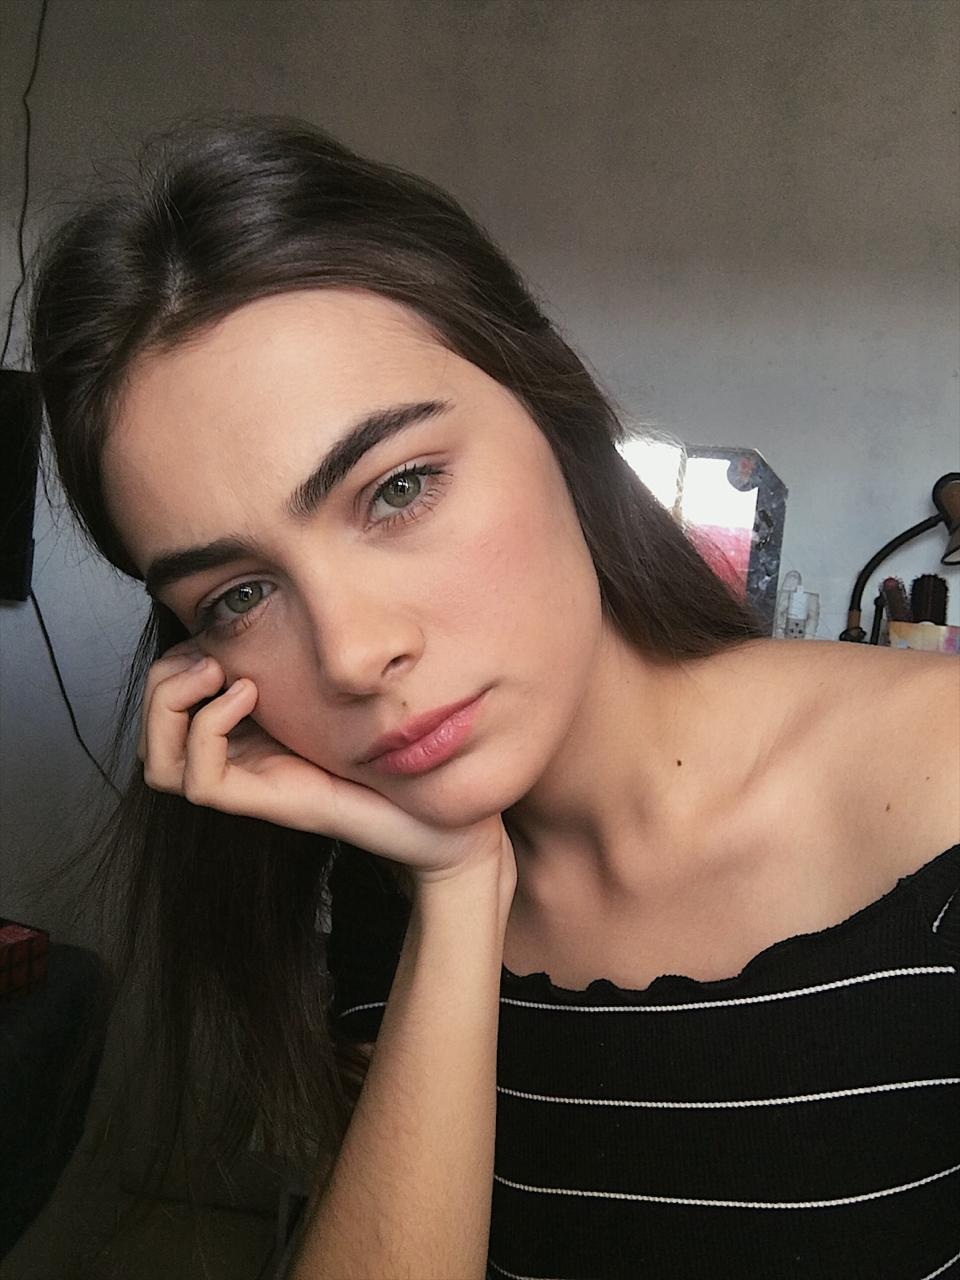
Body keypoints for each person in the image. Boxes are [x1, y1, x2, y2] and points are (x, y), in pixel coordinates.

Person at [27, 113, 958, 1279]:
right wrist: (459, 895)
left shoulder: (940, 783)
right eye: (239, 594)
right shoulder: (389, 883)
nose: (352, 654)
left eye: (398, 487)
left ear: (555, 408)